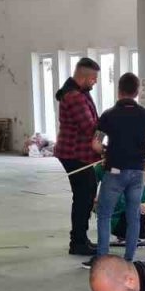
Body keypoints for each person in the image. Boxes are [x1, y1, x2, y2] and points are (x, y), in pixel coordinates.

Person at [91, 72, 145, 265]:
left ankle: (103, 258)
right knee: (133, 216)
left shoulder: (108, 115)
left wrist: (106, 150)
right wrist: (140, 149)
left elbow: (96, 144)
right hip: (137, 172)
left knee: (104, 214)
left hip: (114, 171)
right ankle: (129, 259)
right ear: (137, 92)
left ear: (119, 90)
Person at [54, 57, 101, 257]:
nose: (95, 82)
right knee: (83, 197)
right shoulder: (75, 97)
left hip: (77, 154)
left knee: (86, 195)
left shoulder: (78, 93)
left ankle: (81, 239)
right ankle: (78, 242)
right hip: (74, 154)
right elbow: (90, 126)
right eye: (93, 79)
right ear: (82, 77)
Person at [96, 156, 145, 242]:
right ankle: (125, 235)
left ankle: (141, 232)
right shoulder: (130, 179)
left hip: (129, 216)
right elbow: (121, 202)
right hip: (117, 220)